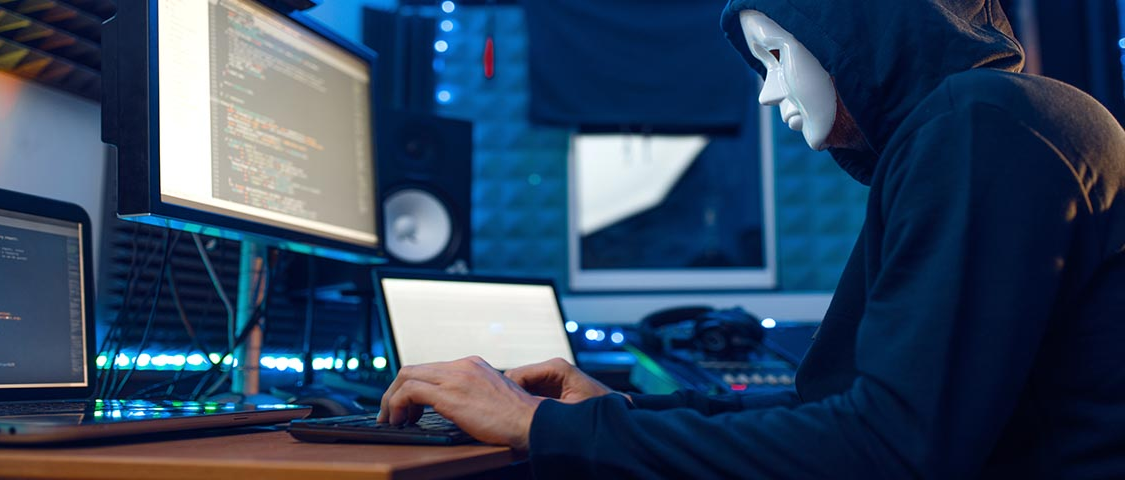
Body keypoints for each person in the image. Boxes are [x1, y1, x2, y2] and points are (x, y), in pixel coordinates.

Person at [378, 0, 1125, 477]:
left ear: (857, 25)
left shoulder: (979, 126)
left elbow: (888, 450)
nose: (768, 91)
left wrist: (538, 425)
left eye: (776, 54)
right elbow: (839, 414)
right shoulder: (984, 124)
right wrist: (615, 412)